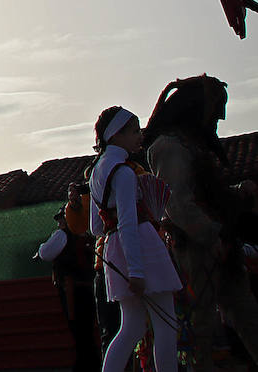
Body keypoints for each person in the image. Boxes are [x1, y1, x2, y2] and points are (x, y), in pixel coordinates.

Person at [143, 75, 258, 372]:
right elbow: (178, 204)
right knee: (200, 326)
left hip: (219, 245)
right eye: (217, 107)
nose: (221, 115)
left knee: (247, 315)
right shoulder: (168, 146)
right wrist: (212, 236)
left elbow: (200, 194)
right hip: (194, 251)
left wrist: (235, 194)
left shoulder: (192, 144)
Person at [89, 106, 182, 372]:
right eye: (133, 131)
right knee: (166, 323)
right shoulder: (125, 171)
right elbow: (129, 222)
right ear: (116, 135)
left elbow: (96, 227)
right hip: (140, 246)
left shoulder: (97, 170)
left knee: (130, 328)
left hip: (114, 249)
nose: (139, 136)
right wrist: (137, 270)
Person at [33, 202, 97, 372]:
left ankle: (85, 365)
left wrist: (39, 250)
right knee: (87, 330)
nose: (60, 222)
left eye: (61, 219)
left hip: (72, 290)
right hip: (89, 287)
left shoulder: (63, 235)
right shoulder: (87, 235)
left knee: (78, 330)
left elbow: (46, 253)